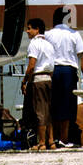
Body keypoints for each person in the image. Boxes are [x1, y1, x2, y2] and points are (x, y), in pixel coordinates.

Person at [46, 6, 83, 148]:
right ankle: (64, 139)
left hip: (53, 70)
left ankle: (52, 138)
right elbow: (81, 56)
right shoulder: (74, 34)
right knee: (67, 105)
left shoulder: (48, 34)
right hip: (68, 71)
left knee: (53, 104)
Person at [21, 18, 55, 151]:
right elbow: (52, 66)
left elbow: (31, 65)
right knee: (48, 111)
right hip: (48, 78)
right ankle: (51, 141)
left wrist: (25, 81)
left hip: (38, 80)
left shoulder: (34, 44)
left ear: (37, 30)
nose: (27, 31)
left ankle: (41, 142)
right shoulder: (49, 45)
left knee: (40, 112)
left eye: (29, 28)